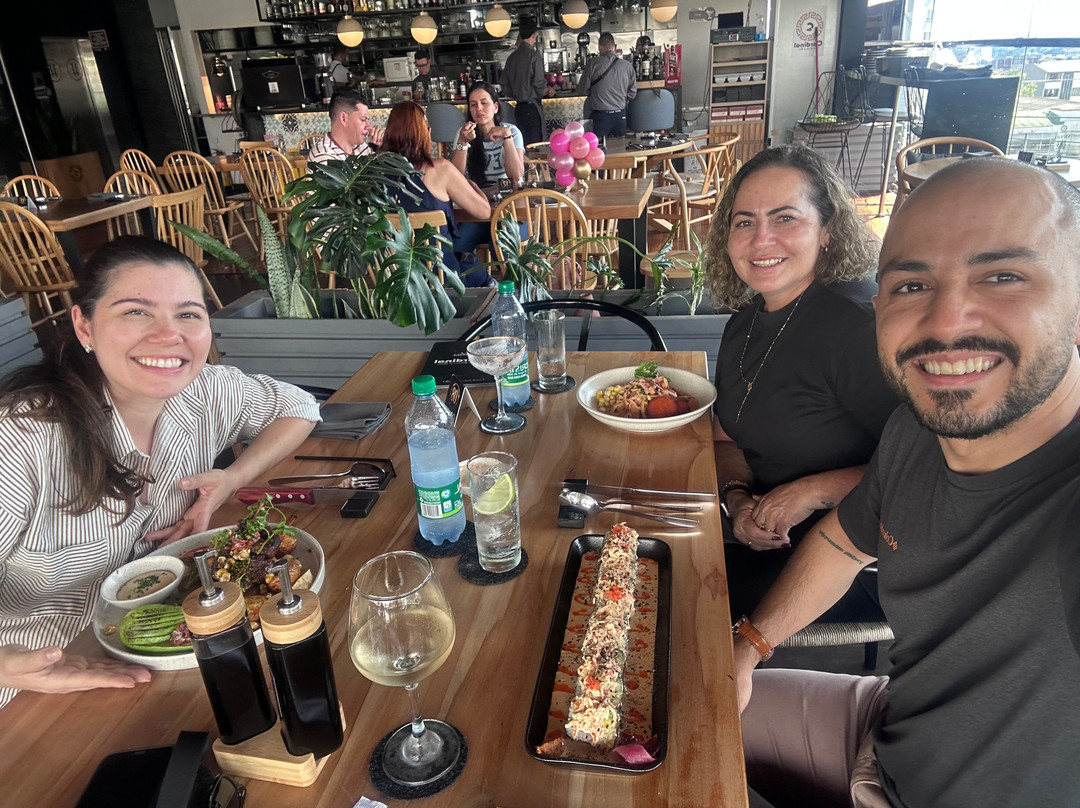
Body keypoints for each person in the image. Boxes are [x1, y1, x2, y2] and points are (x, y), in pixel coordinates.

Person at [735, 157, 1080, 808]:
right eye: (911, 286)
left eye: (1003, 276)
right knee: (669, 706)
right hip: (887, 726)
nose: (948, 322)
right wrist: (747, 646)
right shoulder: (915, 431)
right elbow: (844, 539)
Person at [0, 237, 321, 708]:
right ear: (83, 326)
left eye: (189, 314)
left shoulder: (205, 391)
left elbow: (299, 407)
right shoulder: (23, 438)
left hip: (173, 644)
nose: (169, 335)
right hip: (43, 682)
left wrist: (232, 477)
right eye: (136, 312)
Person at [704, 144, 898, 620]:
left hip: (858, 563)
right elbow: (726, 433)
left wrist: (812, 491)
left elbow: (933, 466)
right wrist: (737, 498)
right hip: (765, 534)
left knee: (682, 602)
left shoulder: (856, 327)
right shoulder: (745, 322)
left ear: (828, 230)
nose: (760, 238)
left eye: (785, 218)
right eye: (744, 221)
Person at [378, 102, 494, 287]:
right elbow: (484, 212)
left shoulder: (374, 173)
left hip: (400, 280)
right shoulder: (439, 169)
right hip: (444, 278)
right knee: (482, 275)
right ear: (426, 132)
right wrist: (473, 187)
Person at [450, 81, 526, 254]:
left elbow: (516, 177)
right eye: (473, 104)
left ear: (496, 107)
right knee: (457, 246)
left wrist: (506, 137)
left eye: (484, 103)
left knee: (501, 245)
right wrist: (463, 142)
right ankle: (480, 281)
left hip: (512, 212)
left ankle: (507, 282)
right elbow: (455, 177)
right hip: (479, 212)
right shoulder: (462, 134)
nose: (479, 109)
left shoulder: (512, 132)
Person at [500, 17, 554, 147]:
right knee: (536, 147)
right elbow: (539, 85)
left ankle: (524, 168)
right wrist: (549, 91)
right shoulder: (534, 56)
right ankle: (536, 168)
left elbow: (505, 87)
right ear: (534, 36)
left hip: (518, 109)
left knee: (521, 147)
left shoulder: (511, 58)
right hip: (532, 108)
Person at [578, 32, 637, 137]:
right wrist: (619, 97)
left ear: (600, 47)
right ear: (615, 47)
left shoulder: (593, 63)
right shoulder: (627, 66)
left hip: (600, 117)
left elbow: (583, 90)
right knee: (620, 149)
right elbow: (632, 94)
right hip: (620, 116)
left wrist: (597, 93)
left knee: (600, 150)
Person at [307, 90, 384, 165]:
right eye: (363, 119)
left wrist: (383, 146)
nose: (369, 126)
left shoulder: (360, 147)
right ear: (343, 118)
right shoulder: (324, 157)